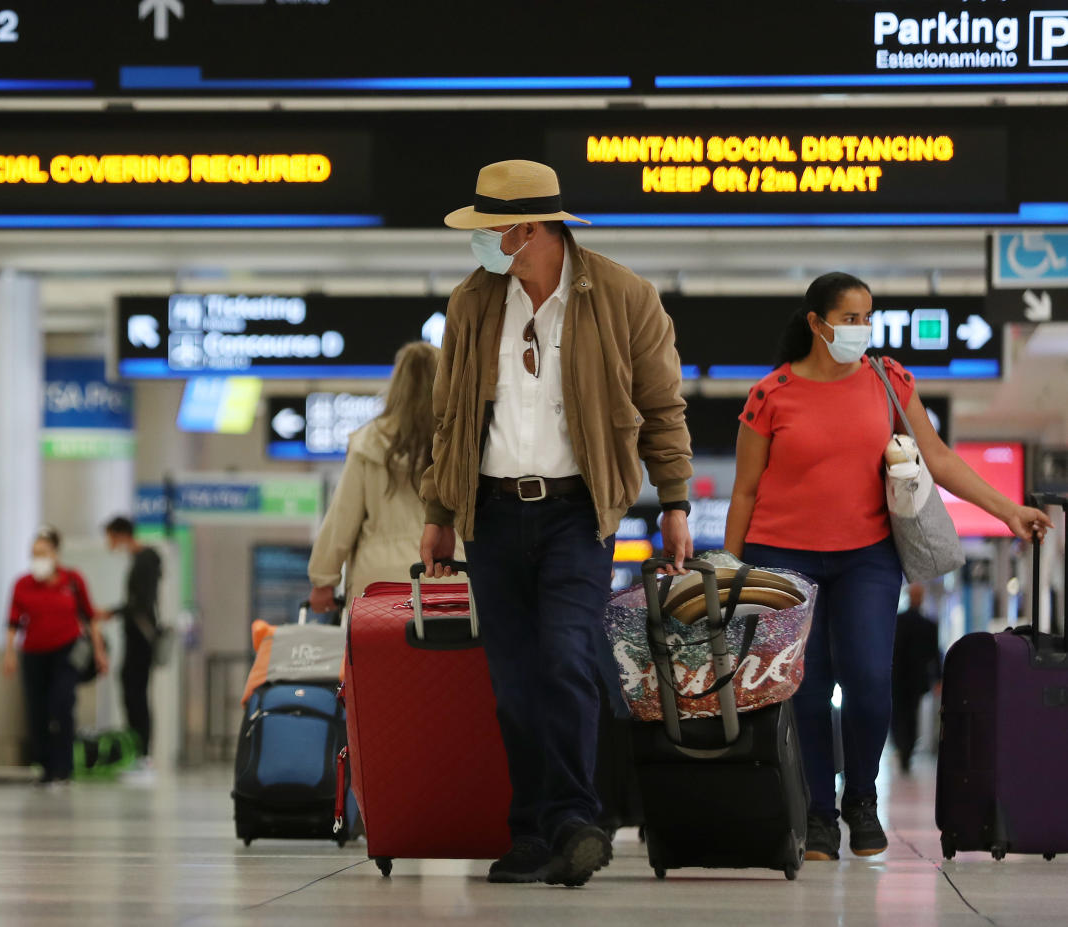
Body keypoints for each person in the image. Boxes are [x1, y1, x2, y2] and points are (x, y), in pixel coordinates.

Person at [419, 160, 694, 887]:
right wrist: (439, 512)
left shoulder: (623, 296)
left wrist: (674, 500)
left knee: (566, 658)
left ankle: (575, 817)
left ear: (529, 230)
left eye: (488, 230)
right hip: (491, 513)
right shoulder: (474, 301)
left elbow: (663, 407)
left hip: (579, 510)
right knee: (513, 681)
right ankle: (534, 830)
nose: (477, 243)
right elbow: (449, 417)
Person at [723, 271, 1051, 862]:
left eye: (867, 317)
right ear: (817, 324)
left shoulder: (888, 380)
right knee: (806, 686)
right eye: (850, 319)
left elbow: (940, 456)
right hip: (782, 555)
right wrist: (733, 570)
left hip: (867, 556)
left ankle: (861, 801)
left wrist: (1007, 510)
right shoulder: (771, 395)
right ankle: (820, 815)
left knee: (870, 682)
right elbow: (745, 492)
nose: (863, 329)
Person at [308, 341, 463, 614]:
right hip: (449, 573)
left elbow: (342, 519)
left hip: (379, 586)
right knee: (447, 656)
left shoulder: (369, 442)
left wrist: (323, 581)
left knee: (381, 656)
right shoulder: (458, 443)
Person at [3, 526, 107, 785]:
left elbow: (90, 617)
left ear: (56, 554)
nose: (38, 559)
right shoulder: (22, 584)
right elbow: (13, 622)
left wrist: (99, 651)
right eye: (34, 554)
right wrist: (9, 653)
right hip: (33, 653)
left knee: (62, 705)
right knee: (37, 710)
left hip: (66, 649)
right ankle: (45, 767)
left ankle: (64, 768)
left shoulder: (73, 580)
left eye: (43, 553)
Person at [102, 516, 163, 769]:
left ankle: (142, 753)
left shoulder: (146, 559)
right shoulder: (138, 559)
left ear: (121, 534)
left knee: (136, 692)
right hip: (134, 636)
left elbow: (142, 603)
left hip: (142, 638)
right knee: (130, 690)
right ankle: (136, 750)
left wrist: (112, 612)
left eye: (110, 537)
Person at [890, 583, 941, 774]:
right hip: (916, 679)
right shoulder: (928, 625)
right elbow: (934, 654)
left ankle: (903, 747)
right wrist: (937, 677)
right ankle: (907, 749)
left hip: (898, 677)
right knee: (911, 714)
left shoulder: (898, 621)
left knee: (899, 714)